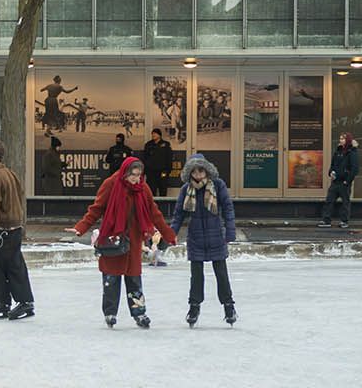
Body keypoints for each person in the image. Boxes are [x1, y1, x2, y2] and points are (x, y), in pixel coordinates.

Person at [67, 157, 177, 329]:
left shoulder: (143, 188)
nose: (135, 179)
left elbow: (154, 213)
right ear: (125, 172)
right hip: (112, 239)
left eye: (139, 175)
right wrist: (81, 227)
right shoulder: (110, 184)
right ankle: (110, 313)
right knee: (111, 278)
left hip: (133, 240)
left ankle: (139, 313)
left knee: (134, 279)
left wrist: (168, 233)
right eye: (133, 175)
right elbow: (96, 209)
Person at [169, 154, 238, 327]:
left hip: (216, 236)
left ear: (207, 170)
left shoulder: (218, 185)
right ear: (190, 172)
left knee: (221, 274)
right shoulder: (187, 189)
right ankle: (194, 307)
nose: (198, 174)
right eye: (195, 171)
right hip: (196, 237)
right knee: (196, 276)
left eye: (201, 170)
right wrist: (171, 234)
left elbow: (228, 208)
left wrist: (230, 232)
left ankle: (229, 307)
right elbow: (179, 214)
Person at [0, 138, 34, 321]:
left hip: (2, 230)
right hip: (13, 228)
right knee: (8, 264)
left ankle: (18, 302)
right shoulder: (10, 173)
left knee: (2, 265)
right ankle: (7, 302)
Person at [319, 133, 360, 228]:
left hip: (344, 182)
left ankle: (344, 221)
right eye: (340, 138)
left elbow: (355, 169)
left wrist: (347, 181)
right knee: (329, 200)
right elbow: (332, 165)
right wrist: (331, 172)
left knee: (345, 202)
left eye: (343, 139)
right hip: (335, 181)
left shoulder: (352, 152)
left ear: (347, 140)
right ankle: (326, 220)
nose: (340, 140)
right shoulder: (337, 151)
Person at [142, 128, 174, 197]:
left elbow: (169, 157)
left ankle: (163, 207)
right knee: (151, 190)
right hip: (151, 172)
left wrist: (168, 170)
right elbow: (145, 158)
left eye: (155, 133)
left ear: (159, 135)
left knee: (163, 189)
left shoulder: (166, 144)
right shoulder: (148, 145)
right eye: (152, 133)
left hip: (162, 171)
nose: (153, 135)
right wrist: (146, 170)